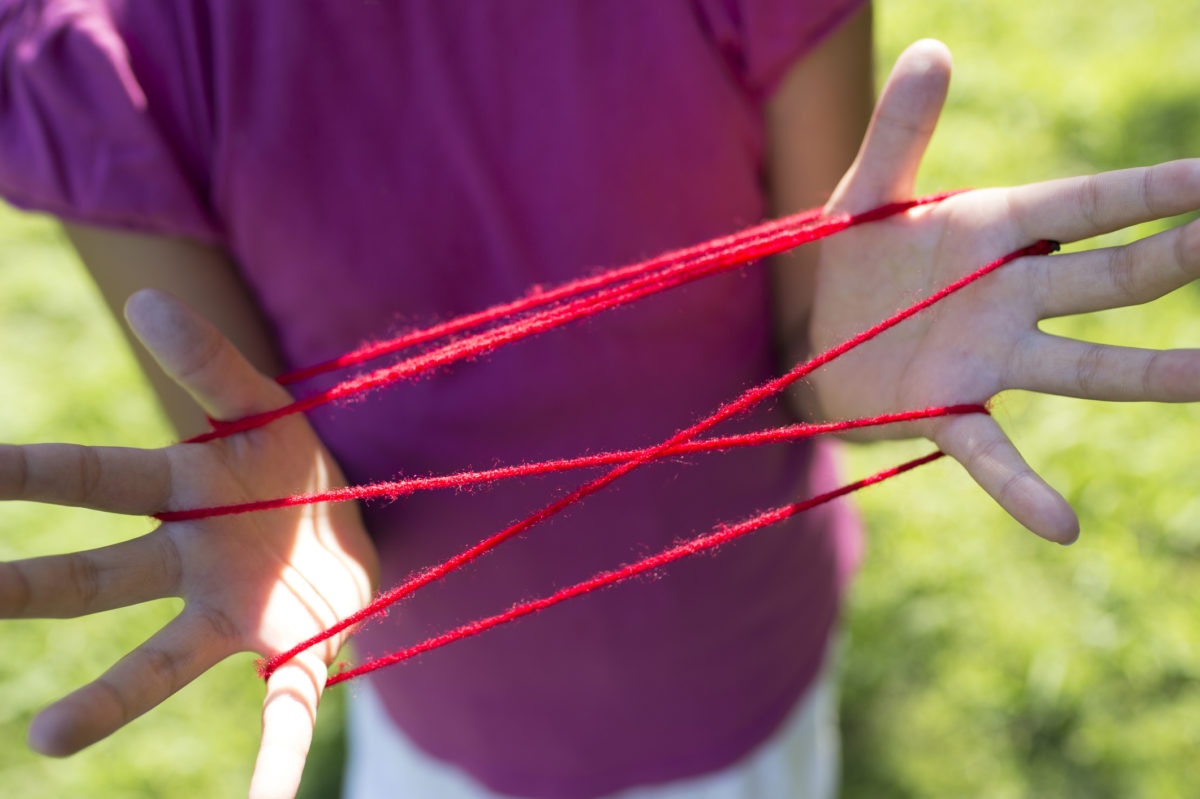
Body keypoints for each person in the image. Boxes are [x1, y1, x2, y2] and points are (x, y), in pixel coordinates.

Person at [1, 2, 1197, 798]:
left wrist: (862, 341)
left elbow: (809, 340)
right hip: (446, 704)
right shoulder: (108, 50)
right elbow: (257, 441)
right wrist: (291, 525)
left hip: (738, 660)